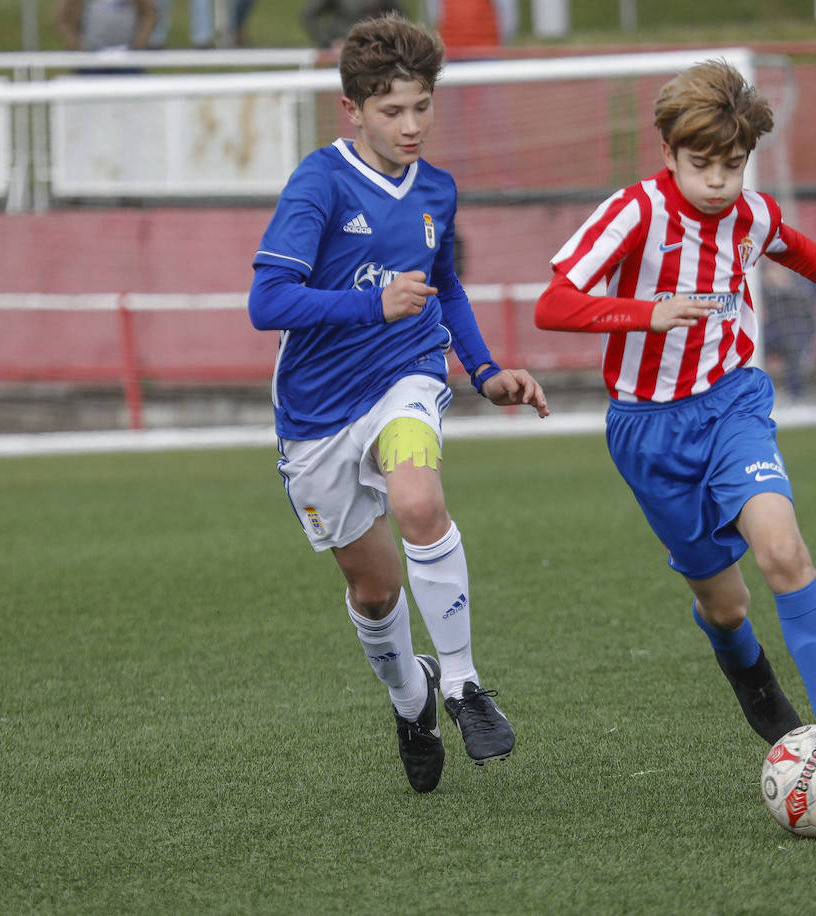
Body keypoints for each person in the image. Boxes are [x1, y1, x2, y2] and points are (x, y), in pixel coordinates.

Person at [534, 59, 816, 818]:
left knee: (783, 550)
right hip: (647, 430)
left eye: (733, 165)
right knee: (724, 606)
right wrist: (645, 314)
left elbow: (798, 249)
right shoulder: (633, 213)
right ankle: (757, 688)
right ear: (667, 153)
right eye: (703, 165)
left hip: (734, 403)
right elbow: (553, 303)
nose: (720, 182)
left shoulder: (749, 215)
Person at [247, 13, 548, 794]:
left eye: (422, 108)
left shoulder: (438, 191)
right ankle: (410, 699)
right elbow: (267, 301)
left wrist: (483, 371)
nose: (411, 126)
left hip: (405, 379)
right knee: (374, 590)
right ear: (352, 110)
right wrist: (369, 307)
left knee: (419, 500)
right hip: (316, 416)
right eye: (392, 111)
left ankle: (463, 684)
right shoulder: (320, 181)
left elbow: (443, 286)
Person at [759, 257, 816, 402]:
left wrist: (783, 284)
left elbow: (810, 294)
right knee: (755, 354)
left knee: (795, 366)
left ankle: (796, 398)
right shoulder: (765, 283)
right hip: (774, 330)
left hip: (799, 331)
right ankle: (756, 395)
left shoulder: (802, 279)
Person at [53, 0, 157, 53]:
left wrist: (140, 42)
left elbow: (150, 13)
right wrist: (76, 44)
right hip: (88, 59)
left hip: (129, 58)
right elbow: (60, 17)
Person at [300, 0, 405, 50]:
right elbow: (310, 14)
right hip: (343, 49)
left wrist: (389, 39)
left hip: (377, 49)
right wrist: (329, 42)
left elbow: (400, 15)